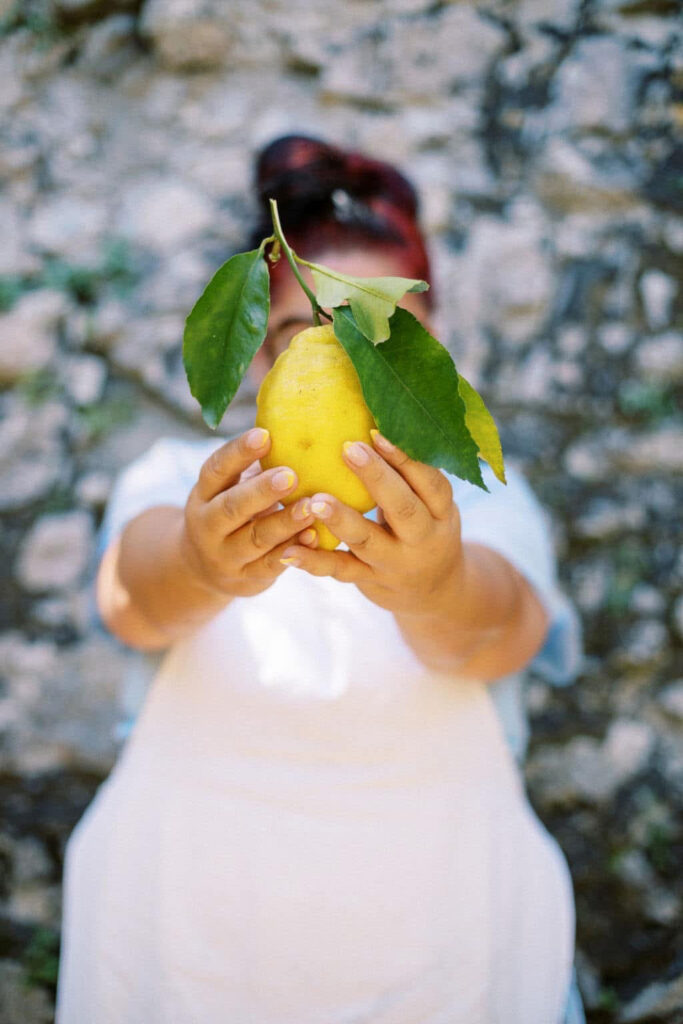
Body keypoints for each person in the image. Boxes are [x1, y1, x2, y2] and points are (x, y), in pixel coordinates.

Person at [56, 135, 585, 1023]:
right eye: (308, 329)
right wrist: (198, 560)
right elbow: (131, 601)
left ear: (424, 348)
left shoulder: (469, 492)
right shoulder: (190, 481)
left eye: (370, 328)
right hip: (183, 950)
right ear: (260, 351)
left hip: (442, 954)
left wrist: (432, 584)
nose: (340, 351)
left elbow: (499, 632)